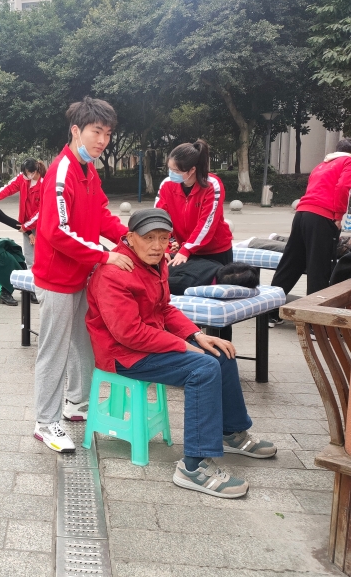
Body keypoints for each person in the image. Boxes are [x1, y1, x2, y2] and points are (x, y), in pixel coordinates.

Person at [86, 209, 276, 498]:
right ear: (130, 238)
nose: (157, 246)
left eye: (163, 238)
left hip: (149, 343)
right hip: (122, 354)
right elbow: (128, 333)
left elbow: (164, 308)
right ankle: (193, 466)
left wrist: (197, 335)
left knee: (220, 353)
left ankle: (231, 431)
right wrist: (183, 345)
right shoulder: (114, 273)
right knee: (203, 368)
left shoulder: (157, 263)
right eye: (149, 238)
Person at [32, 97, 131, 453]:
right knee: (54, 350)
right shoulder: (62, 171)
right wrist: (105, 256)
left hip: (81, 274)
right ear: (76, 131)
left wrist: (129, 238)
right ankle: (45, 422)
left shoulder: (89, 170)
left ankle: (76, 403)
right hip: (57, 279)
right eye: (96, 132)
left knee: (83, 343)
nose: (102, 140)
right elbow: (56, 231)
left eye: (107, 133)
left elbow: (101, 214)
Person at [269, 138, 351, 326]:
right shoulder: (348, 162)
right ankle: (316, 324)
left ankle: (270, 312)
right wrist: (338, 215)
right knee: (319, 268)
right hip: (322, 216)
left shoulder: (323, 165)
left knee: (291, 264)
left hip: (302, 214)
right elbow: (342, 187)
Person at [154, 139, 234, 268]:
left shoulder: (211, 185)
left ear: (192, 170)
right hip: (183, 248)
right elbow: (158, 218)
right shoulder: (167, 184)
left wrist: (187, 249)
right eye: (170, 169)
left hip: (214, 251)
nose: (172, 174)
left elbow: (207, 224)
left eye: (176, 171)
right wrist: (165, 247)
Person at [0, 158, 45, 269]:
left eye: (27, 173)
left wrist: (26, 226)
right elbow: (8, 188)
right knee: (29, 257)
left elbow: (42, 210)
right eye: (24, 173)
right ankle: (31, 276)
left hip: (41, 225)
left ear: (35, 171)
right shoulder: (23, 178)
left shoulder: (44, 183)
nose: (25, 175)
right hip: (26, 224)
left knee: (42, 255)